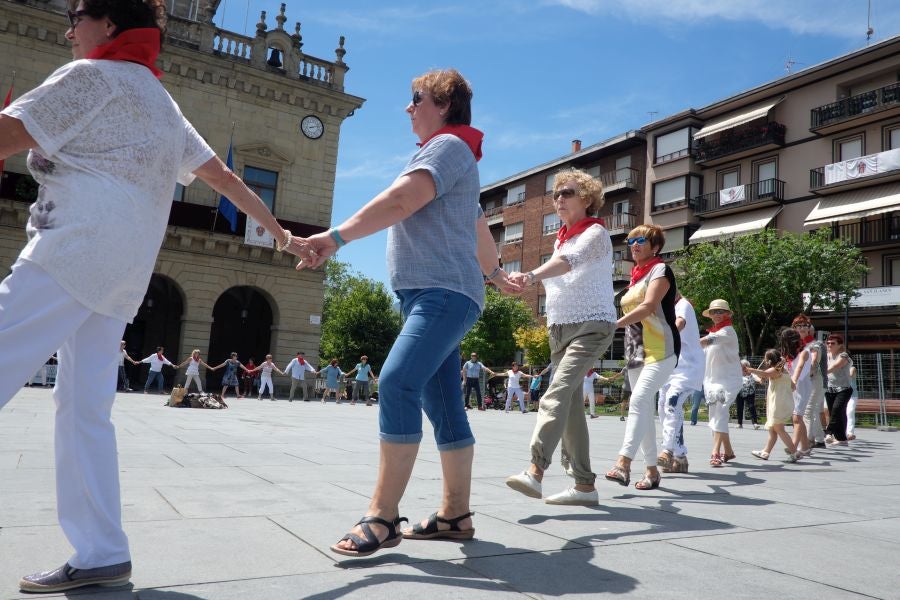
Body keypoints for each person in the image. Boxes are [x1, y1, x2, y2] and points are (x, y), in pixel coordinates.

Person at [0, 0, 304, 593]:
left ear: (109, 24)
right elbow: (224, 178)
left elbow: (6, 135)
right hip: (124, 272)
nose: (68, 28)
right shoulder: (160, 100)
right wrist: (284, 236)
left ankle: (101, 549)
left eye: (77, 14)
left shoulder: (91, 76)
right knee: (84, 408)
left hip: (74, 247)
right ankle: (102, 551)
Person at [294, 68, 519, 556]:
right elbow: (477, 223)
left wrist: (334, 239)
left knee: (396, 381)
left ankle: (382, 517)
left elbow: (400, 201)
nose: (407, 107)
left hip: (442, 293)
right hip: (436, 293)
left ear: (442, 104)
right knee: (444, 406)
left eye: (415, 98)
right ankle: (455, 515)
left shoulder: (446, 147)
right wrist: (498, 276)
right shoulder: (455, 154)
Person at [504, 167, 615, 507]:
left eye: (567, 192)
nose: (559, 199)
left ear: (586, 198)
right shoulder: (561, 237)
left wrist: (531, 275)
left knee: (556, 393)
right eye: (556, 194)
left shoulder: (594, 233)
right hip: (559, 329)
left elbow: (569, 263)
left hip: (591, 324)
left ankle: (535, 470)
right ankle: (584, 487)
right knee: (569, 410)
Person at [605, 224, 678, 491]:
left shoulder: (660, 270)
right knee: (643, 408)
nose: (634, 244)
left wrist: (613, 324)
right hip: (636, 353)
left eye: (641, 240)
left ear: (655, 247)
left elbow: (649, 307)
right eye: (631, 240)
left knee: (637, 401)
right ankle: (651, 471)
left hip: (661, 351)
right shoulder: (635, 277)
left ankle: (623, 463)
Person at [656, 293, 704, 474]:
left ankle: (667, 450)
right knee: (663, 406)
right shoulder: (666, 308)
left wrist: (665, 339)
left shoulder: (683, 304)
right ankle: (680, 456)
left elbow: (680, 323)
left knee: (672, 403)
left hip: (688, 367)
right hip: (671, 366)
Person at [699, 300, 743, 467]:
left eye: (720, 311)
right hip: (711, 380)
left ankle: (715, 451)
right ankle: (729, 451)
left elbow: (704, 342)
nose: (716, 314)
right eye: (713, 312)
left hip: (728, 380)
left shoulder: (728, 331)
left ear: (727, 314)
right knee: (715, 414)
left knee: (720, 411)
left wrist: (681, 343)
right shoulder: (714, 332)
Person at [745, 350, 800, 462]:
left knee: (779, 429)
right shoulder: (784, 371)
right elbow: (793, 387)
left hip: (777, 403)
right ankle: (766, 452)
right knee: (773, 430)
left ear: (769, 360)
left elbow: (765, 374)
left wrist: (750, 370)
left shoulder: (775, 371)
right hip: (784, 402)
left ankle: (794, 452)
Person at [793, 315, 827, 449]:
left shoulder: (814, 344)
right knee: (812, 411)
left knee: (806, 411)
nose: (801, 328)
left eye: (804, 326)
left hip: (815, 380)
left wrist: (810, 369)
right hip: (803, 381)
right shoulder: (797, 345)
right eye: (798, 326)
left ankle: (806, 442)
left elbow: (814, 360)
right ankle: (819, 439)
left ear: (809, 329)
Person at [780, 327, 812, 457]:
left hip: (802, 386)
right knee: (798, 418)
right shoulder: (788, 355)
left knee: (796, 417)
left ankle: (793, 446)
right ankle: (805, 447)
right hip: (793, 387)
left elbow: (799, 368)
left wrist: (793, 381)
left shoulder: (805, 352)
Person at [824, 334, 853, 447]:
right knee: (837, 414)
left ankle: (828, 431)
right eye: (828, 343)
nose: (830, 345)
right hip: (829, 390)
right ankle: (841, 439)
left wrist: (821, 373)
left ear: (840, 345)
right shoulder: (825, 356)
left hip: (844, 389)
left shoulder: (844, 355)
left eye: (833, 343)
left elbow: (835, 366)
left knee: (836, 410)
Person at [735, 360, 760, 429]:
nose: (744, 369)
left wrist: (760, 380)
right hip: (740, 393)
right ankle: (739, 423)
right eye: (743, 367)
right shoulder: (738, 374)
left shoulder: (752, 374)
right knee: (739, 407)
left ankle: (755, 423)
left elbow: (758, 379)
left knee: (751, 406)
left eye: (746, 367)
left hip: (750, 393)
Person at [846, 364, 858, 441]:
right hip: (840, 394)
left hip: (852, 395)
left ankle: (850, 433)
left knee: (850, 412)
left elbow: (850, 375)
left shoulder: (852, 368)